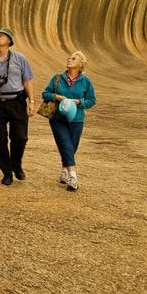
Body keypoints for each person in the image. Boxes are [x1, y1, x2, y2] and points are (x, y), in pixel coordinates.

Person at [0, 28, 36, 185]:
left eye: (1, 35)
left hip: (17, 101)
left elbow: (28, 81)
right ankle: (7, 172)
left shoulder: (20, 59)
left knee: (20, 138)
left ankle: (16, 164)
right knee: (0, 140)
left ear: (9, 40)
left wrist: (31, 101)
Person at [41, 51, 96, 191]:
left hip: (77, 119)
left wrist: (79, 102)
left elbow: (91, 100)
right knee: (65, 144)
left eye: (74, 58)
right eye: (69, 58)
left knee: (71, 147)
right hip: (58, 118)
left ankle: (64, 172)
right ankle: (73, 177)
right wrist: (57, 97)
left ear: (81, 64)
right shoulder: (57, 77)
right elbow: (45, 93)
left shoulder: (86, 81)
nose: (69, 60)